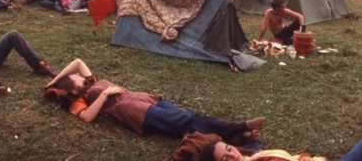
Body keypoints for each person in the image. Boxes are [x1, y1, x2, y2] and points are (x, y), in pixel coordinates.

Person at [44, 58, 265, 145]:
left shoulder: (90, 81)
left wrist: (53, 80)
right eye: (75, 79)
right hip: (136, 112)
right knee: (186, 120)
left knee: (188, 122)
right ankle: (238, 128)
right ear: (71, 87)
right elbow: (87, 118)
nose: (80, 76)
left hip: (144, 99)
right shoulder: (81, 99)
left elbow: (77, 62)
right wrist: (104, 94)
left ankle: (236, 138)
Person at [200, 124, 362, 161]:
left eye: (229, 150)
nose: (233, 156)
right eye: (226, 160)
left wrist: (305, 158)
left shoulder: (253, 156)